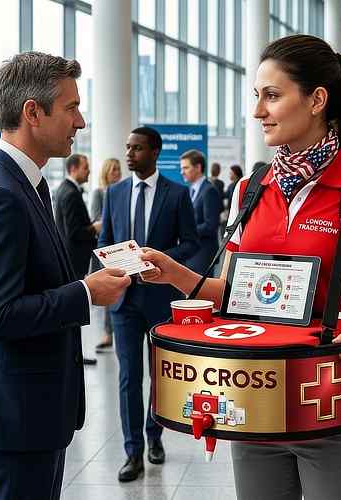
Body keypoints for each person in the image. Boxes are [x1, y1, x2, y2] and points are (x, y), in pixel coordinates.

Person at [140, 34, 341, 500]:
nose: (257, 111)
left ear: (316, 101)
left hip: (333, 399)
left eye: (272, 96)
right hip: (258, 402)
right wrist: (175, 273)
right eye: (257, 96)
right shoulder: (251, 189)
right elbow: (233, 293)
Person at [0, 52, 132, 500]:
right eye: (71, 108)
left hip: (27, 411)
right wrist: (86, 291)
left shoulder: (21, 183)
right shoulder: (0, 194)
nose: (82, 121)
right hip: (13, 416)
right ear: (33, 112)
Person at [99, 126, 198, 482]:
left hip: (160, 299)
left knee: (159, 375)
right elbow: (106, 241)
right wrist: (112, 261)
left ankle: (154, 436)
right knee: (128, 377)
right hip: (124, 300)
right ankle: (133, 452)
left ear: (154, 152)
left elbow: (190, 242)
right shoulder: (114, 193)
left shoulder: (177, 194)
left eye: (137, 148)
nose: (129, 154)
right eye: (127, 147)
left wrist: (161, 261)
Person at [53, 153, 100, 366]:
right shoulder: (70, 193)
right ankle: (74, 355)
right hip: (74, 259)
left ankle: (74, 355)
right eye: (85, 167)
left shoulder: (63, 189)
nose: (88, 171)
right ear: (73, 169)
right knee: (75, 307)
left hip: (69, 258)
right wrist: (95, 228)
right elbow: (74, 232)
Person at [89, 158, 123, 352]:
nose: (117, 173)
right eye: (113, 170)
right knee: (109, 293)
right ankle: (107, 332)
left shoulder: (125, 191)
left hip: (123, 250)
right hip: (107, 249)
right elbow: (96, 221)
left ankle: (114, 331)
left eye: (118, 169)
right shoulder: (100, 193)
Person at [180, 149, 222, 276]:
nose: (182, 172)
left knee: (201, 294)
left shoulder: (209, 191)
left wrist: (185, 232)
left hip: (203, 253)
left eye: (186, 168)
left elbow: (211, 225)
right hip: (192, 252)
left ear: (198, 167)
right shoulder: (191, 190)